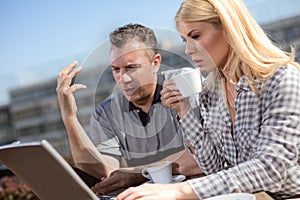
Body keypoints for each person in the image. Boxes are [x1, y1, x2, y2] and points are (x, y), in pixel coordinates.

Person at [116, 0, 300, 200]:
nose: (188, 50)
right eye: (185, 39)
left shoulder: (282, 79)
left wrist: (179, 191)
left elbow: (271, 169)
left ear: (229, 29)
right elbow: (214, 167)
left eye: (195, 36)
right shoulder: (209, 93)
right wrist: (183, 110)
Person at [56, 23, 201, 195]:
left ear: (155, 63)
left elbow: (204, 157)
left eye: (131, 68)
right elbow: (105, 173)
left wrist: (136, 174)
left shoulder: (183, 83)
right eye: (116, 70)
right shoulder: (105, 112)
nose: (123, 79)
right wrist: (70, 118)